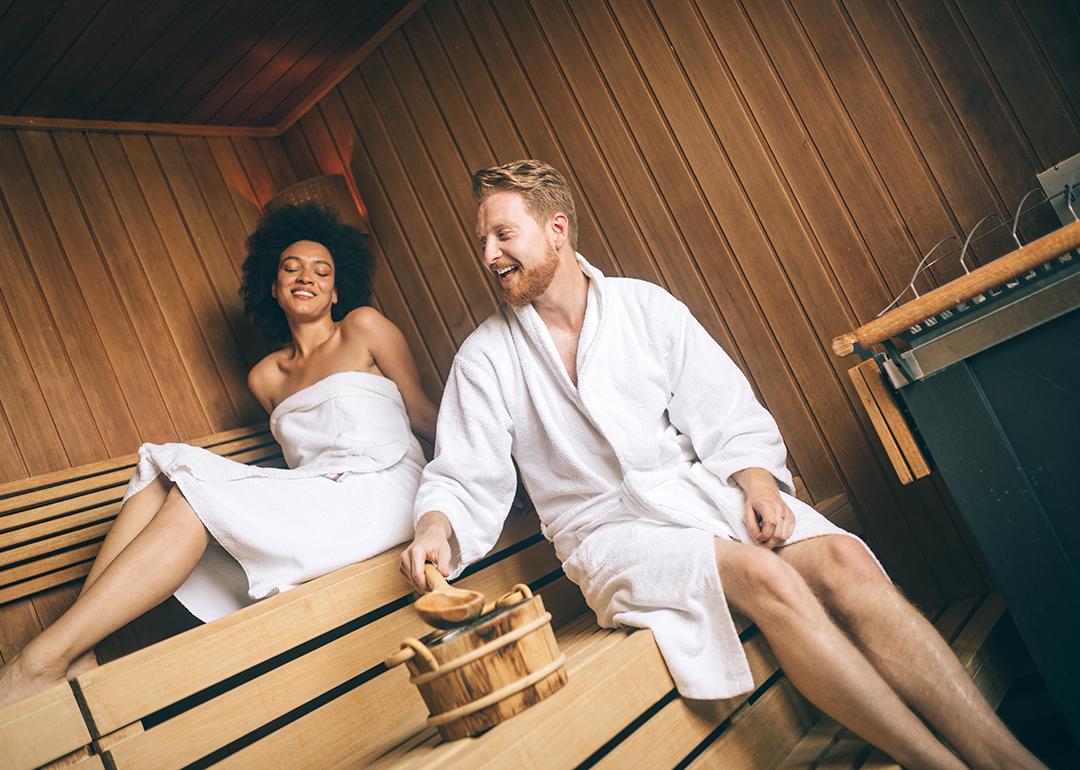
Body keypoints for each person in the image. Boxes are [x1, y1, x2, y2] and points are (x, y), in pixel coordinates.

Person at [400, 160, 1044, 770]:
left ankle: (1009, 761)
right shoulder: (484, 358)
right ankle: (937, 764)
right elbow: (463, 471)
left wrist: (758, 481)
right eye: (481, 239)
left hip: (697, 494)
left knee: (844, 561)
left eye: (503, 234)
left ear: (557, 229)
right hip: (608, 536)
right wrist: (434, 527)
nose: (489, 255)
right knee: (772, 580)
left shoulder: (644, 309)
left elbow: (725, 409)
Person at [0, 203, 437, 708]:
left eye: (322, 271)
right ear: (273, 288)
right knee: (163, 469)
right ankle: (76, 654)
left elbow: (423, 415)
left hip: (383, 486)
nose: (306, 277)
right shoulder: (265, 377)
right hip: (321, 493)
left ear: (337, 290)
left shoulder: (362, 327)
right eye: (290, 267)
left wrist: (480, 482)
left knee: (193, 497)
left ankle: (40, 661)